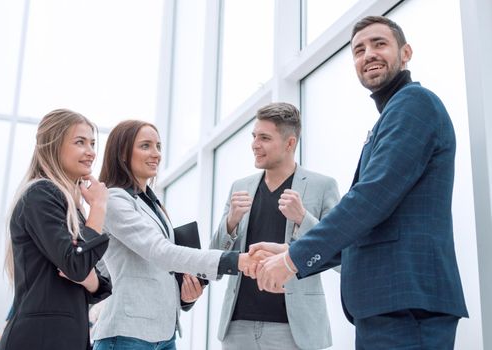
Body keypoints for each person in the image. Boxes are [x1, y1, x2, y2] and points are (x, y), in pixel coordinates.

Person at [251, 16, 468, 349]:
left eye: (379, 44)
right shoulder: (392, 114)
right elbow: (372, 224)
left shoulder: (414, 105)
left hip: (406, 306)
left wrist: (293, 260)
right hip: (389, 306)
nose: (368, 54)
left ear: (406, 52)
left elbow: (370, 200)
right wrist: (294, 251)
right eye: (359, 50)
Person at [92, 120, 267, 350]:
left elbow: (157, 269)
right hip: (127, 335)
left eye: (158, 146)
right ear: (123, 153)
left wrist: (185, 297)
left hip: (164, 334)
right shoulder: (115, 200)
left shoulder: (152, 203)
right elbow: (160, 252)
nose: (156, 154)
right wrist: (233, 260)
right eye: (145, 146)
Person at [210, 102, 340, 350]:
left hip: (295, 329)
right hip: (238, 327)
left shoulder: (323, 186)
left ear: (290, 143)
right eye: (254, 136)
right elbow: (214, 258)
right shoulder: (240, 187)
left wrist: (303, 218)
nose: (255, 144)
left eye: (265, 138)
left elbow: (341, 257)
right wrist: (231, 222)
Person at [0, 109, 112, 350]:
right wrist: (99, 208)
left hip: (65, 338)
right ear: (53, 145)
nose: (91, 151)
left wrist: (90, 281)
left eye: (92, 143)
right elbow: (76, 265)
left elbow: (100, 282)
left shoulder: (72, 207)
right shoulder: (41, 194)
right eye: (80, 142)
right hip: (40, 339)